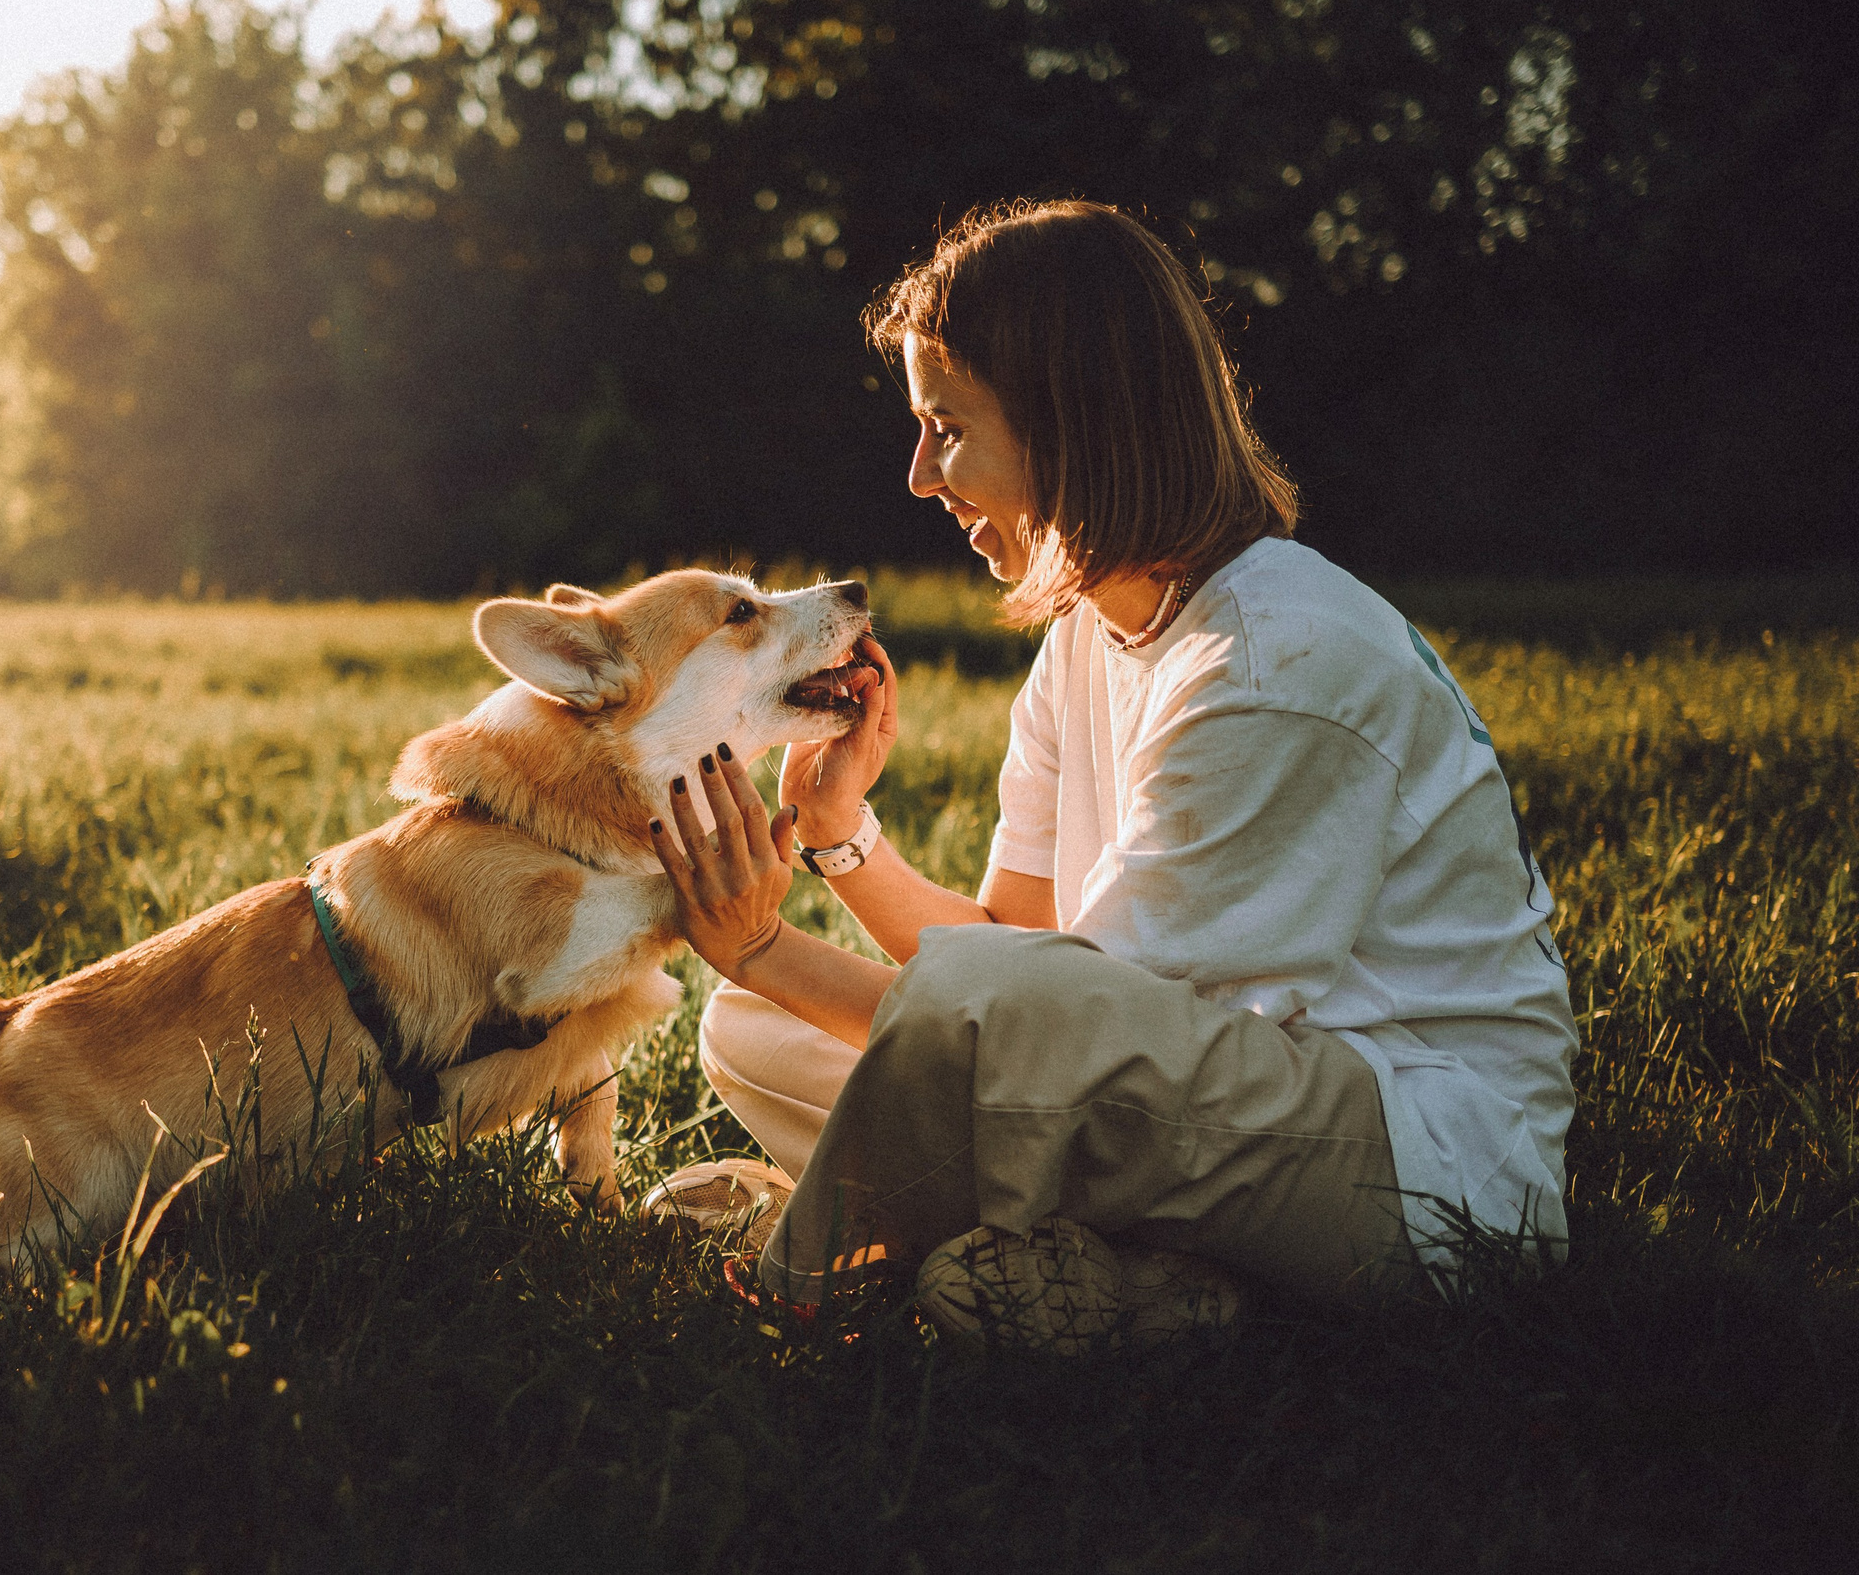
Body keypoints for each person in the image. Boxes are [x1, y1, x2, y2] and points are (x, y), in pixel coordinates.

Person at [642, 199, 1577, 1349]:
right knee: (748, 1025)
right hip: (1184, 1093)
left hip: (1416, 1164)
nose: (919, 477)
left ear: (1072, 426)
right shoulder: (1093, 632)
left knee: (812, 989)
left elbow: (1046, 1033)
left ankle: (841, 1266)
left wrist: (759, 940)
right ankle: (1132, 1283)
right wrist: (842, 834)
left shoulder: (1272, 662)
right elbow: (1010, 941)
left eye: (947, 428)